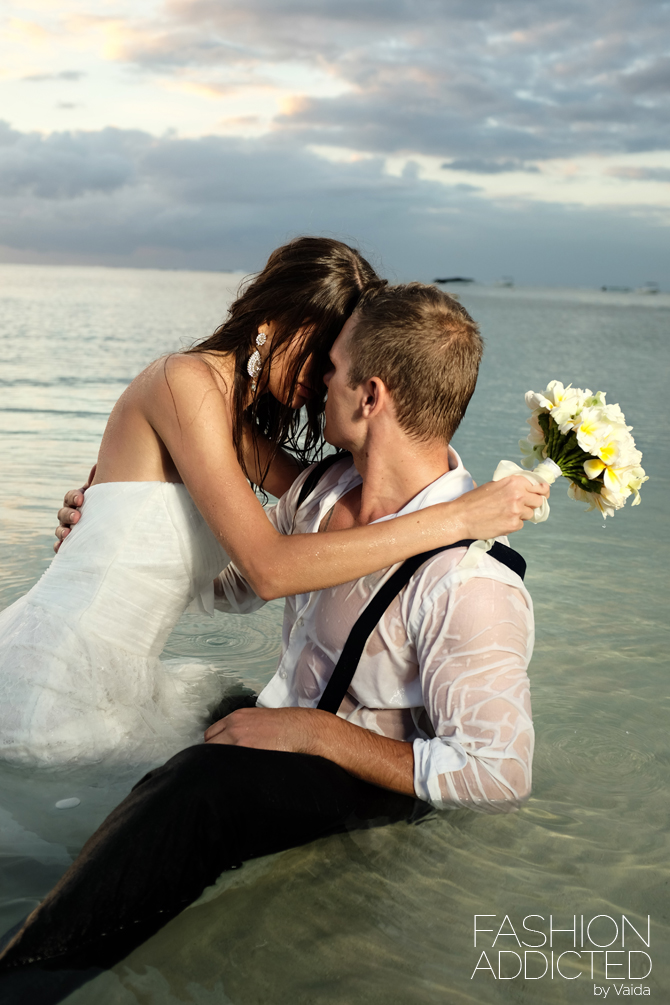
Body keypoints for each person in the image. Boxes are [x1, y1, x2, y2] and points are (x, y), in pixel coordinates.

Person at [0, 282, 539, 998]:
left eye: (334, 367)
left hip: (363, 777)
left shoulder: (472, 581)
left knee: (201, 786)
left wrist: (315, 735)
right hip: (290, 724)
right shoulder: (322, 494)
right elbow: (235, 585)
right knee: (192, 709)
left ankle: (24, 981)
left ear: (371, 395)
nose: (319, 380)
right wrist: (111, 527)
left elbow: (499, 774)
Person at [0, 237, 544, 767]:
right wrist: (459, 518)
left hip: (119, 683)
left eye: (340, 363)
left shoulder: (231, 424)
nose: (328, 378)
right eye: (321, 355)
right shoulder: (183, 384)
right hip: (56, 679)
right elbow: (269, 568)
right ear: (275, 324)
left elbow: (350, 494)